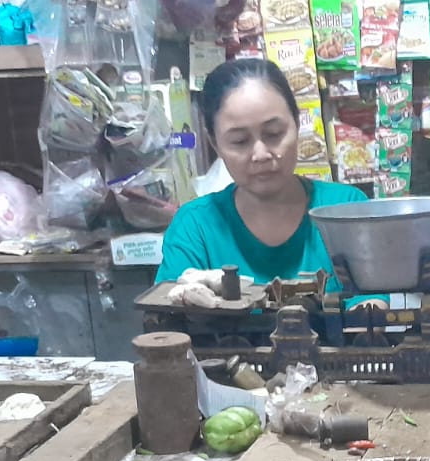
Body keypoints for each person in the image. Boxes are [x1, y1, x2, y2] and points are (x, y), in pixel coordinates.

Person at [157, 59, 383, 309]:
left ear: (297, 124)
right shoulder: (194, 228)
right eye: (240, 141)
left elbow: (373, 302)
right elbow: (170, 322)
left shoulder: (348, 210)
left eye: (274, 134)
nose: (261, 153)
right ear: (215, 144)